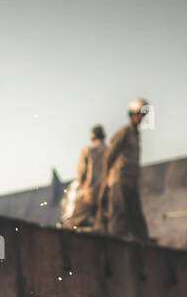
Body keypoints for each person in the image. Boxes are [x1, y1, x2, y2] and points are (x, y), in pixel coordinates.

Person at [100, 98, 150, 241]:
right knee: (118, 219)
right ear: (133, 114)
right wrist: (106, 181)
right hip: (119, 181)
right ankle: (115, 246)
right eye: (139, 114)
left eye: (143, 115)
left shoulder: (135, 135)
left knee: (136, 219)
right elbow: (109, 156)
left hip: (131, 182)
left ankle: (142, 247)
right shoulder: (124, 132)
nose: (141, 118)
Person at [62, 125, 106, 229]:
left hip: (89, 192)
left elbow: (81, 174)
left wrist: (84, 187)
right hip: (105, 193)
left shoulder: (88, 151)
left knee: (73, 220)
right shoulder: (109, 150)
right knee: (101, 223)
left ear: (92, 137)